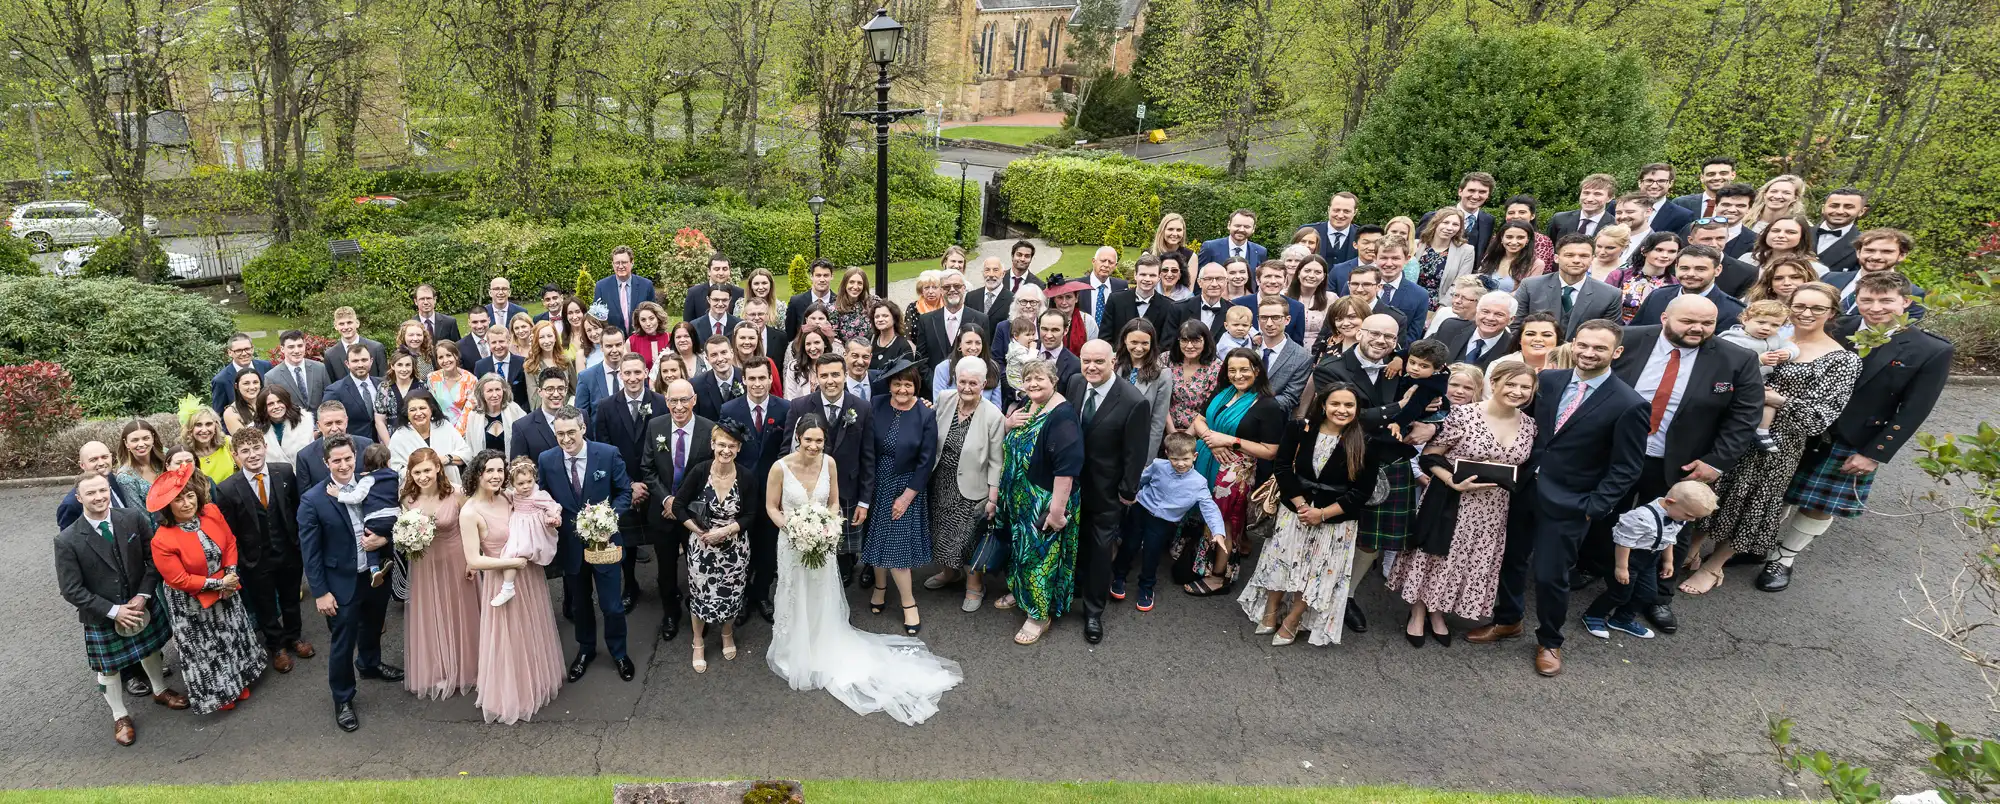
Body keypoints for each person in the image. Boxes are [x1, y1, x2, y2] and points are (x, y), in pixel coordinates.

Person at [1468, 320, 1649, 678]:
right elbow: (1515, 422)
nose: (1589, 353)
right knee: (1511, 560)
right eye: (1583, 345)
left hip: (1571, 504)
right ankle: (1508, 620)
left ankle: (1550, 640)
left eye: (1599, 348)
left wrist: (1594, 507)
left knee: (1551, 576)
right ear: (1573, 344)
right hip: (1521, 491)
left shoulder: (1629, 404)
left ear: (1617, 353)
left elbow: (1627, 468)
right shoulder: (1548, 381)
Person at [762, 412, 962, 725]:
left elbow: (832, 503)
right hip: (791, 542)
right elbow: (771, 507)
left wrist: (826, 527)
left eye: (819, 440)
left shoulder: (829, 463)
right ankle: (795, 645)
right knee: (793, 590)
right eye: (808, 439)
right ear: (798, 438)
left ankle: (823, 640)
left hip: (822, 541)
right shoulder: (780, 468)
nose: (814, 445)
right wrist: (794, 527)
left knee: (820, 591)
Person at [1773, 271, 1952, 591]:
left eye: (1886, 300)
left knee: (1818, 503)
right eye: (1867, 299)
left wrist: (1874, 453)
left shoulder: (1929, 349)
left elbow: (1915, 410)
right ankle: (1762, 544)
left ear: (1905, 303)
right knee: (1778, 489)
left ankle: (1784, 558)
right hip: (1802, 423)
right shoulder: (1837, 327)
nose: (1876, 307)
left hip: (1854, 438)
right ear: (1856, 299)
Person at [1599, 294, 1764, 631]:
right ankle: (1596, 570)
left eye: (1707, 323)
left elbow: (1745, 416)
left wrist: (1717, 462)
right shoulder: (1626, 339)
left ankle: (1658, 597)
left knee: (1672, 531)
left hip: (1681, 464)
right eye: (1688, 321)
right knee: (1605, 513)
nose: (1697, 329)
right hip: (1616, 452)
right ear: (1664, 318)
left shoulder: (1738, 359)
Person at [1389, 360, 1538, 645]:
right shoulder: (1463, 415)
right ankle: (1418, 611)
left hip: (1494, 508)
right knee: (1436, 557)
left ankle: (1438, 611)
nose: (1517, 391)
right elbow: (1430, 455)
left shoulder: (1530, 425)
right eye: (1510, 384)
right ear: (1493, 384)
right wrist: (1452, 481)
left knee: (1464, 561)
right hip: (1452, 498)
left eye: (1524, 387)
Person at [1236, 382, 1378, 646]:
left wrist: (1322, 514)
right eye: (1335, 403)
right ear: (1323, 405)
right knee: (1281, 562)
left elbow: (1362, 492)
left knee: (1315, 572)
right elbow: (1282, 467)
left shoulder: (1366, 441)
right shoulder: (1300, 428)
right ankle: (1270, 612)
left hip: (1335, 520)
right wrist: (1302, 506)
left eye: (1349, 405)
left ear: (1357, 409)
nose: (1342, 410)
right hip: (1294, 510)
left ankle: (1292, 620)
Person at [59, 470, 192, 745]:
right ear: (79, 497)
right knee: (108, 668)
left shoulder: (131, 517)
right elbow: (71, 590)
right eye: (91, 493)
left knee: (150, 649)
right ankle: (120, 715)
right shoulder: (67, 540)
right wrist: (113, 610)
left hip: (138, 602)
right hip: (102, 615)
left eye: (103, 490)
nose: (99, 497)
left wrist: (143, 596)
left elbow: (153, 560)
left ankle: (160, 690)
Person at [146, 463, 266, 714]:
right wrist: (220, 583)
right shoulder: (161, 539)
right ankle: (220, 694)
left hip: (227, 589)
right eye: (178, 499)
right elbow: (179, 579)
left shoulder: (210, 511)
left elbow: (230, 543)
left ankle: (240, 681)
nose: (187, 503)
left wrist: (231, 572)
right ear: (168, 505)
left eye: (190, 496)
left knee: (232, 637)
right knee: (208, 650)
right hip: (192, 604)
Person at [1052, 341, 1150, 644]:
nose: (1091, 367)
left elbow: (1136, 453)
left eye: (1098, 361)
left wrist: (1127, 491)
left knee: (1099, 550)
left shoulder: (1134, 401)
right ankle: (1073, 589)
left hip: (1107, 490)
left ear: (1113, 361)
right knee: (1074, 541)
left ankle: (1093, 612)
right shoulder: (1076, 383)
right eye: (1086, 360)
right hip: (1072, 483)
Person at [458, 451, 564, 724]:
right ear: (477, 475)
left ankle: (536, 681)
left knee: (531, 628)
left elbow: (534, 515)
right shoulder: (470, 512)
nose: (496, 476)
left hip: (528, 575)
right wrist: (513, 562)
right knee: (509, 635)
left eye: (499, 471)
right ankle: (513, 693)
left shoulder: (508, 497)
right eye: (489, 471)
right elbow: (474, 559)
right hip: (501, 577)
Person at [537, 406, 636, 682]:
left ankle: (618, 652)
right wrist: (549, 515)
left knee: (612, 605)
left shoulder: (607, 453)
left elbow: (624, 492)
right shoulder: (546, 459)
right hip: (570, 547)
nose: (566, 439)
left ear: (583, 429)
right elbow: (543, 496)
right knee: (580, 605)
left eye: (571, 432)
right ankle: (586, 649)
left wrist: (608, 518)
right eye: (560, 434)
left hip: (605, 544)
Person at [995, 358, 1086, 645]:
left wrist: (1057, 513)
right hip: (1022, 499)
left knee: (1040, 558)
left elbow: (1066, 469)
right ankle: (1021, 593)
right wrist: (1009, 424)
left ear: (1054, 381)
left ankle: (1038, 615)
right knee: (1020, 551)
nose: (1033, 384)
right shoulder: (1031, 406)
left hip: (1045, 502)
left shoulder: (1062, 416)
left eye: (1039, 379)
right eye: (1028, 379)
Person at [1182, 348, 1286, 598]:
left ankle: (1219, 576)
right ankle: (1200, 564)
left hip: (1234, 473)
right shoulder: (1223, 392)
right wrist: (1212, 440)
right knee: (1204, 516)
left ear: (1257, 371)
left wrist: (1228, 440)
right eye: (1232, 370)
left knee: (1225, 522)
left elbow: (1271, 451)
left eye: (1244, 370)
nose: (1238, 375)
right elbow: (1198, 419)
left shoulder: (1269, 405)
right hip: (1209, 459)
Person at [211, 430, 308, 674]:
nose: (252, 454)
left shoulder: (284, 472)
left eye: (256, 448)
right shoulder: (227, 489)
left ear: (265, 447)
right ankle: (276, 646)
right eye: (245, 451)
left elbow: (296, 508)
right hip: (256, 560)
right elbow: (229, 532)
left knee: (290, 598)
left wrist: (298, 543)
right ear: (235, 455)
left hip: (288, 551)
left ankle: (294, 637)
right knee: (265, 604)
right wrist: (243, 561)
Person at [919, 357, 1007, 611]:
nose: (966, 387)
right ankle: (949, 573)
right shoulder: (946, 399)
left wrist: (993, 497)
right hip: (941, 479)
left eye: (973, 383)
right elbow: (929, 421)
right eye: (962, 381)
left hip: (972, 486)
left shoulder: (993, 415)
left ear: (983, 384)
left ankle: (974, 586)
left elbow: (996, 461)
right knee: (942, 532)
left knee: (967, 539)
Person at [1582, 481, 1718, 641]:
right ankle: (1593, 615)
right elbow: (1623, 542)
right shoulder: (1641, 517)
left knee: (1647, 593)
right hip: (1627, 557)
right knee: (1619, 593)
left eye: (1696, 517)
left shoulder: (1678, 515)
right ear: (1670, 502)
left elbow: (1669, 538)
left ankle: (1622, 619)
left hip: (1650, 558)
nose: (1692, 520)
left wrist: (1668, 561)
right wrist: (1621, 567)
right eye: (1689, 515)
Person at [397, 446, 480, 700]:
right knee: (432, 612)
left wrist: (472, 561)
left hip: (456, 558)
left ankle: (468, 668)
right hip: (425, 564)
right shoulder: (407, 499)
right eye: (417, 471)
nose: (423, 476)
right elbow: (403, 527)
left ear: (438, 469)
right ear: (410, 473)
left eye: (427, 470)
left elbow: (473, 527)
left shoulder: (457, 494)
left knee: (459, 611)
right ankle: (440, 668)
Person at [673, 420, 755, 673]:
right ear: (712, 445)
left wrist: (726, 531)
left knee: (732, 594)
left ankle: (727, 633)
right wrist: (700, 532)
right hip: (702, 547)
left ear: (739, 448)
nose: (726, 450)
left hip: (734, 548)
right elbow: (678, 505)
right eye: (721, 444)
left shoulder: (746, 476)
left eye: (732, 445)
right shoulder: (700, 471)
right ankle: (698, 640)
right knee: (700, 595)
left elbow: (751, 514)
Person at [718, 359, 788, 625]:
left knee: (768, 548)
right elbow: (725, 448)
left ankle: (761, 595)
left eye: (762, 378)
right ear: (744, 380)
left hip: (773, 492)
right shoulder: (729, 408)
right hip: (741, 490)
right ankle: (742, 597)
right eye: (752, 379)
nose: (758, 384)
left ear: (770, 380)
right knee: (741, 547)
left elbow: (786, 449)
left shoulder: (784, 408)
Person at [640, 377, 711, 638]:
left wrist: (679, 504)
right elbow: (647, 468)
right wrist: (667, 500)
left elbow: (708, 475)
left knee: (697, 567)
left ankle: (699, 614)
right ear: (666, 401)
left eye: (684, 400)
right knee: (666, 569)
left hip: (693, 514)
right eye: (672, 400)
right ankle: (670, 613)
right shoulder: (655, 426)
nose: (678, 406)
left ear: (694, 400)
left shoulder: (708, 429)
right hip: (662, 512)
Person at [594, 354, 664, 613]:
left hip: (655, 484)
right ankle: (630, 584)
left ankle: (665, 583)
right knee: (626, 539)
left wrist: (647, 483)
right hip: (623, 485)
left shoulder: (661, 403)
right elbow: (603, 449)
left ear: (646, 373)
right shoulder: (606, 406)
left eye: (638, 372)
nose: (633, 378)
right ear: (620, 375)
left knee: (660, 536)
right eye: (628, 373)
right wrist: (629, 484)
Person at [1717, 300, 1798, 452]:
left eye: (1775, 325)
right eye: (1761, 322)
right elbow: (1728, 364)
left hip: (1760, 382)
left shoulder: (1774, 339)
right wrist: (1759, 360)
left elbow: (1792, 347)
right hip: (1734, 383)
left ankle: (1761, 432)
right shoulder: (1732, 339)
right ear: (1745, 319)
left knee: (1770, 403)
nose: (1766, 328)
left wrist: (1787, 353)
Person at [1515, 235, 1621, 339]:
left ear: (1592, 259)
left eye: (1584, 256)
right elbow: (1515, 326)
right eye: (1569, 255)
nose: (1576, 260)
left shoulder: (1610, 295)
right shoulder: (1530, 286)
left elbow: (1609, 336)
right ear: (1556, 258)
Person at [1631, 245, 1747, 331]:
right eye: (1685, 268)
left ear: (1717, 270)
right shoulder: (1657, 296)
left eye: (1700, 269)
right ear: (1676, 268)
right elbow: (1636, 333)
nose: (1691, 274)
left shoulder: (1733, 311)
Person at [1115, 319, 1173, 460]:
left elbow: (1157, 422)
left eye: (1145, 343)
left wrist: (1147, 460)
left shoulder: (1162, 374)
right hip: (1110, 442)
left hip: (1138, 444)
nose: (1139, 348)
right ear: (1125, 340)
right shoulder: (1114, 366)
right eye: (1134, 342)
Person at [387, 391, 472, 487]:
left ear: (431, 409)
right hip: (416, 493)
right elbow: (394, 470)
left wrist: (446, 459)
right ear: (406, 413)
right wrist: (421, 468)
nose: (418, 413)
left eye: (422, 408)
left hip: (450, 487)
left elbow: (466, 454)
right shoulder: (399, 437)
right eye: (412, 410)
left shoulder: (444, 426)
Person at [293, 402, 375, 491]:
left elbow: (379, 480)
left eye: (339, 422)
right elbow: (305, 496)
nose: (335, 428)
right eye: (329, 424)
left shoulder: (366, 445)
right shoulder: (305, 456)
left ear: (346, 422)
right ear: (319, 426)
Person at [1249, 297, 1311, 412]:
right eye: (1263, 318)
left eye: (1276, 318)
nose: (1269, 323)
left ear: (1287, 320)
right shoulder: (1247, 346)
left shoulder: (1302, 357)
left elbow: (1290, 398)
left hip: (1272, 417)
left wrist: (1254, 406)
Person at [1605, 231, 1681, 323]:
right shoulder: (1619, 276)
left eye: (1672, 251)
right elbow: (1603, 306)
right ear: (1644, 251)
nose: (1665, 255)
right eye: (1659, 250)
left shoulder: (1676, 284)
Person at [1433, 291, 1517, 370]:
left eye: (1499, 314)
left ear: (1511, 320)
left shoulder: (1514, 348)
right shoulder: (1450, 328)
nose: (1490, 318)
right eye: (1485, 311)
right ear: (1477, 311)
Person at [1413, 207, 1477, 304]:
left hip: (1441, 305)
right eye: (1445, 222)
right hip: (1411, 301)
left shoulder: (1466, 251)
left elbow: (1459, 285)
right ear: (1436, 223)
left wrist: (1442, 308)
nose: (1449, 228)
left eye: (1455, 224)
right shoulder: (1416, 245)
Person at [594, 245, 656, 333]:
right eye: (617, 263)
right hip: (613, 341)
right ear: (612, 264)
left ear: (632, 262)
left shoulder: (646, 285)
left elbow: (653, 314)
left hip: (640, 338)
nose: (620, 266)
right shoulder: (601, 286)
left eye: (624, 262)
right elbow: (597, 318)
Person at [264, 330, 332, 408]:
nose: (296, 351)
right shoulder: (271, 377)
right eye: (291, 347)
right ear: (282, 349)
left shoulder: (320, 368)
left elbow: (329, 397)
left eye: (300, 346)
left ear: (305, 346)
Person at [464, 374, 527, 455]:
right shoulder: (474, 416)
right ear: (482, 394)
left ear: (503, 391)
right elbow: (470, 447)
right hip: (484, 466)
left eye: (497, 389)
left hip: (512, 465)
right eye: (489, 391)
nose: (495, 395)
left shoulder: (515, 410)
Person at [210, 333, 273, 414]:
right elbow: (219, 415)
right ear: (230, 353)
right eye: (238, 350)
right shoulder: (221, 380)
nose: (244, 353)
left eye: (247, 349)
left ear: (252, 349)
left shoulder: (266, 366)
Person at [322, 307, 387, 380]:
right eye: (341, 324)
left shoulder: (376, 348)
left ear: (357, 323)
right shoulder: (330, 355)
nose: (346, 327)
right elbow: (331, 385)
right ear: (335, 326)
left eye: (349, 322)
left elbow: (384, 380)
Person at [373, 348, 426, 438]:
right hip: (392, 437)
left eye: (408, 365)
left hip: (418, 436)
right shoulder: (385, 388)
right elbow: (379, 421)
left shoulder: (421, 386)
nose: (404, 369)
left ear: (413, 366)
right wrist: (389, 446)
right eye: (400, 365)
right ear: (393, 366)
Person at [1547, 173, 1617, 241]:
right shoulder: (1559, 219)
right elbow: (1549, 248)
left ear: (1610, 198)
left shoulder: (1614, 226)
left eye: (1597, 194)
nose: (1589, 199)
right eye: (1586, 193)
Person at [1751, 216, 1827, 276]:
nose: (1780, 235)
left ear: (1802, 237)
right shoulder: (1748, 259)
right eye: (1775, 231)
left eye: (1790, 232)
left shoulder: (1815, 269)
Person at [426, 342, 477, 430]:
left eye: (449, 355)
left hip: (465, 430)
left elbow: (469, 411)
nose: (445, 360)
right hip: (440, 428)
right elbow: (432, 407)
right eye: (441, 357)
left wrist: (456, 435)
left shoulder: (470, 380)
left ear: (456, 356)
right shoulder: (432, 378)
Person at [682, 252, 744, 323]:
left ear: (729, 271)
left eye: (724, 269)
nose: (721, 273)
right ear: (709, 271)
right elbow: (687, 323)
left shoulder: (739, 293)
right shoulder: (694, 293)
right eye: (717, 269)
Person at [1636, 162, 1696, 235]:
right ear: (1640, 183)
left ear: (1670, 183)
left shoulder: (1683, 216)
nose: (1654, 186)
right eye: (1649, 180)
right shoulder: (1622, 211)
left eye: (1661, 181)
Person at [1178, 262, 1235, 338]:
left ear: (1226, 282)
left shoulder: (1233, 311)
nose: (1214, 284)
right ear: (1199, 282)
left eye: (1219, 279)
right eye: (1208, 279)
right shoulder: (1179, 309)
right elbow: (1169, 344)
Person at [182, 406, 236, 485]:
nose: (204, 430)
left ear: (215, 426)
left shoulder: (228, 443)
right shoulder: (186, 456)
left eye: (208, 424)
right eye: (198, 425)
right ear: (190, 429)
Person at [1198, 209, 1267, 269]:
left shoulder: (1260, 252)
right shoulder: (1210, 247)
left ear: (1253, 229)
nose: (1241, 230)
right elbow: (1199, 277)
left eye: (1246, 227)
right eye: (1237, 225)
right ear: (1229, 225)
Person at [1671, 157, 1739, 218]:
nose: (1717, 178)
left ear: (1733, 175)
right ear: (1702, 178)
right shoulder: (1680, 203)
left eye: (1723, 173)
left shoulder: (1742, 206)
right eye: (1711, 174)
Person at [830, 267, 875, 346]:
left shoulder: (873, 303)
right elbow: (834, 339)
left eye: (859, 283)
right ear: (845, 284)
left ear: (864, 285)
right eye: (851, 282)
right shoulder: (834, 308)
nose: (855, 286)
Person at [221, 367, 263, 435]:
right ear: (236, 386)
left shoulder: (269, 403)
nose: (252, 387)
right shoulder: (231, 413)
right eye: (246, 383)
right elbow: (244, 441)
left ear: (260, 384)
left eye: (255, 382)